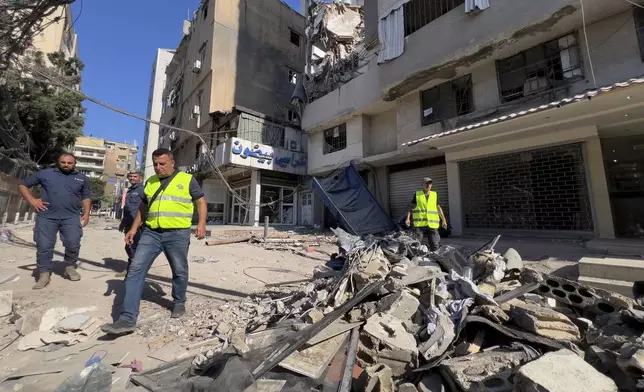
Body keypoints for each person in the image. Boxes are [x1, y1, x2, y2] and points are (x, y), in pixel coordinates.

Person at [101, 148, 207, 335]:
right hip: (151, 233)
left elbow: (200, 202)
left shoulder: (187, 180)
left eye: (162, 164)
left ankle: (179, 301)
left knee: (179, 270)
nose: (158, 168)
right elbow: (142, 209)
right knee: (135, 270)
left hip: (177, 233)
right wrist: (133, 228)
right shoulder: (150, 182)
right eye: (156, 164)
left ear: (172, 163)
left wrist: (202, 224)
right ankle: (127, 318)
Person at [17, 153, 91, 289]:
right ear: (59, 162)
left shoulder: (82, 178)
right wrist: (32, 200)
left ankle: (69, 267)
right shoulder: (45, 174)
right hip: (46, 216)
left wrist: (86, 213)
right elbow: (22, 185)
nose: (66, 165)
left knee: (73, 243)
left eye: (69, 163)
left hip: (71, 217)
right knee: (44, 245)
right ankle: (44, 274)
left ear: (75, 163)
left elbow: (86, 197)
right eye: (63, 162)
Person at [405, 177, 447, 252]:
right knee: (416, 244)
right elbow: (411, 207)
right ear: (422, 185)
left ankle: (435, 259)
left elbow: (438, 208)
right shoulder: (417, 195)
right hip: (420, 223)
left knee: (435, 244)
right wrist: (408, 218)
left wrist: (443, 220)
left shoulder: (434, 194)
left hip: (432, 223)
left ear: (431, 185)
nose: (428, 185)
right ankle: (415, 258)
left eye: (430, 183)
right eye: (426, 183)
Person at [116, 171, 144, 278]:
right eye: (130, 176)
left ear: (140, 178)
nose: (132, 178)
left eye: (135, 176)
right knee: (130, 247)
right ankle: (130, 269)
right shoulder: (130, 190)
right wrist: (123, 223)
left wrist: (138, 225)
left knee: (133, 247)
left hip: (137, 226)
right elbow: (128, 209)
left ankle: (134, 272)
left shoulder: (142, 190)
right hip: (128, 223)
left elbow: (145, 208)